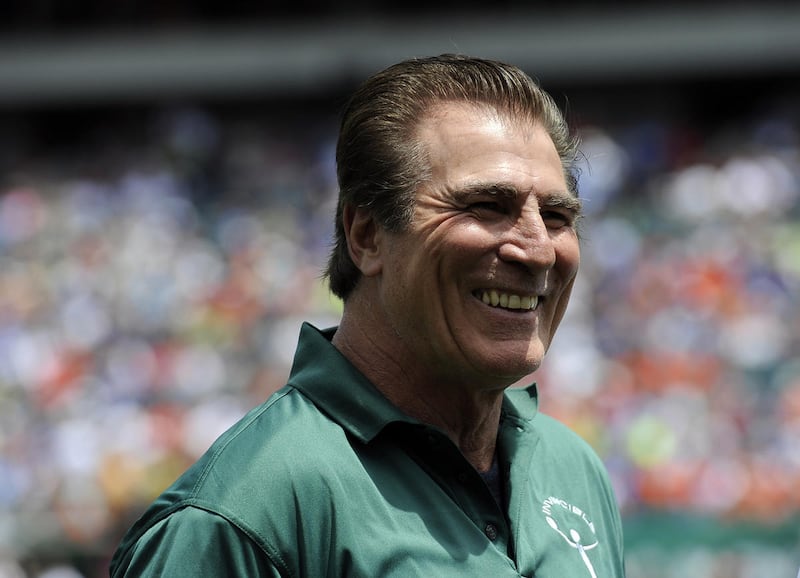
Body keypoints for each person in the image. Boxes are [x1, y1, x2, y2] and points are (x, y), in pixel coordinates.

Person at [110, 54, 626, 577]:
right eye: (486, 206)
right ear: (366, 234)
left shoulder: (573, 470)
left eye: (558, 216)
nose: (538, 250)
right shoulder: (243, 518)